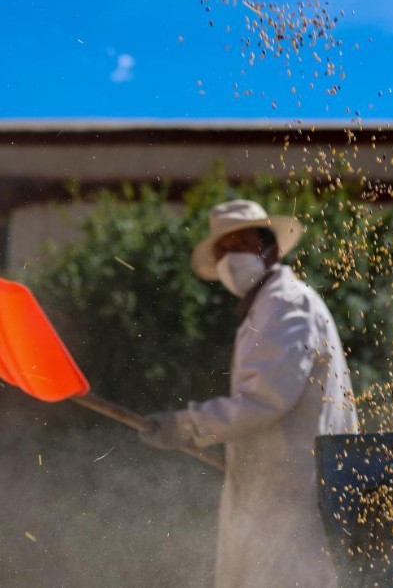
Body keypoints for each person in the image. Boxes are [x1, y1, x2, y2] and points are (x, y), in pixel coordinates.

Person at [140, 199, 359, 588]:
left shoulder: (288, 304)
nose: (229, 258)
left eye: (239, 245)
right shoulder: (266, 308)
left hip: (297, 501)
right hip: (276, 497)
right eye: (222, 250)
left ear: (269, 249)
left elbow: (265, 402)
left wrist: (185, 426)